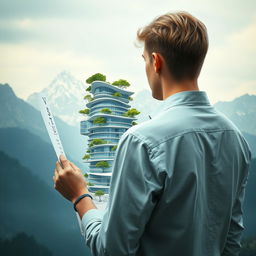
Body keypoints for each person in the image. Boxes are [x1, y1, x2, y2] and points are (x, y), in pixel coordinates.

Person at [53, 11, 252, 256]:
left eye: (145, 60)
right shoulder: (236, 140)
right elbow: (231, 243)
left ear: (156, 62)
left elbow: (112, 250)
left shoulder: (141, 141)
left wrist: (79, 196)